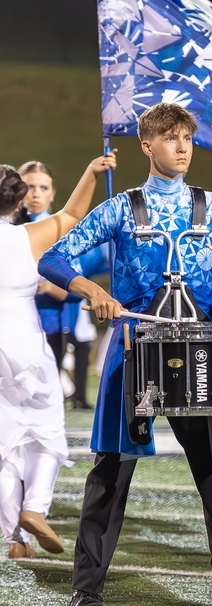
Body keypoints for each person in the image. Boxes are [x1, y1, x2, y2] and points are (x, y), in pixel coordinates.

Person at [39, 103, 212, 606]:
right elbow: (53, 258)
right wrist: (88, 289)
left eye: (188, 138)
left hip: (198, 351)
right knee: (112, 470)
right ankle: (88, 588)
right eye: (172, 139)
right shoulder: (121, 208)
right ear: (148, 146)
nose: (184, 147)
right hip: (135, 349)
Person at [0, 154, 114, 560]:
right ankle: (36, 508)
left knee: (6, 442)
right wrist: (92, 171)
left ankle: (15, 534)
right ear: (17, 203)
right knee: (46, 429)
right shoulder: (27, 236)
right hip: (24, 341)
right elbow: (74, 213)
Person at [17, 161, 109, 410]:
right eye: (28, 186)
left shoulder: (59, 229)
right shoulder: (10, 228)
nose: (35, 194)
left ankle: (77, 396)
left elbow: (72, 287)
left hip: (50, 327)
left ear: (52, 193)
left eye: (43, 188)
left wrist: (46, 286)